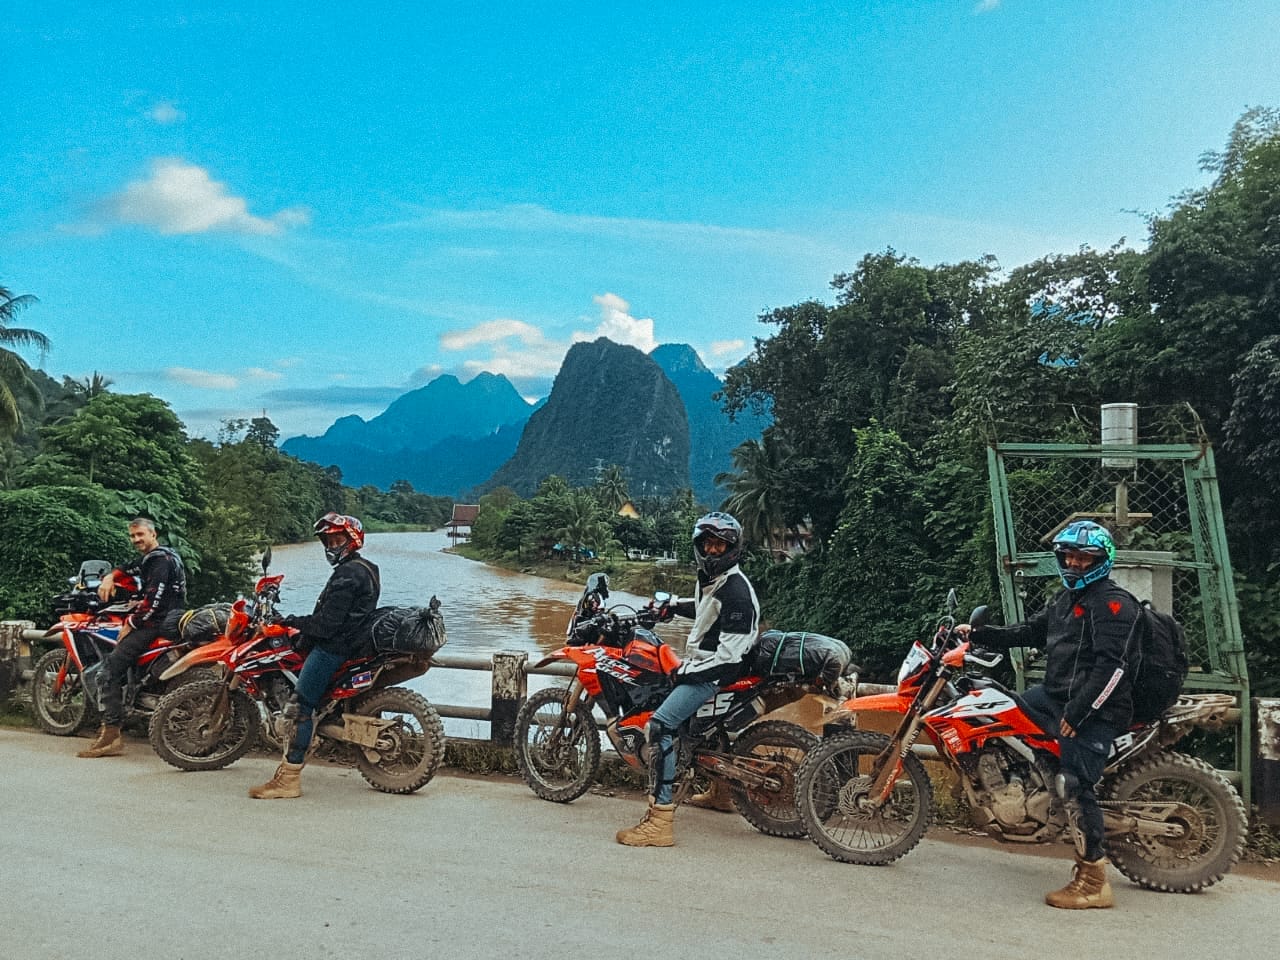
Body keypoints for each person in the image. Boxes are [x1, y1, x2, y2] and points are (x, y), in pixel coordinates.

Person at [960, 519, 1140, 909]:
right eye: (1069, 557)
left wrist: (1078, 714)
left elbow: (1113, 668)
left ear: (1101, 560)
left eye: (1083, 558)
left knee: (1074, 784)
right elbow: (1029, 631)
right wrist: (978, 635)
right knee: (1010, 712)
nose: (1074, 564)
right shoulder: (1065, 600)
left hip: (1096, 710)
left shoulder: (1113, 605)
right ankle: (1033, 789)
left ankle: (1093, 879)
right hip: (1055, 696)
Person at [616, 511, 760, 847]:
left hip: (716, 672)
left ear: (732, 548)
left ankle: (659, 821)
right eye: (707, 544)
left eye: (719, 545)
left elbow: (727, 660)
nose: (712, 551)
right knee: (698, 728)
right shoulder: (715, 581)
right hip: (708, 663)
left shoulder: (736, 592)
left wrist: (683, 671)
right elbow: (705, 609)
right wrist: (670, 609)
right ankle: (722, 793)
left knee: (660, 726)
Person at [249, 512, 380, 799]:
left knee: (299, 708)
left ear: (352, 539)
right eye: (328, 540)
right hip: (349, 642)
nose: (332, 545)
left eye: (337, 539)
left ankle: (289, 779)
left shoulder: (348, 574)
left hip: (334, 648)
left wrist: (289, 622)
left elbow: (327, 625)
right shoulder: (365, 568)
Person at [78, 517, 187, 758]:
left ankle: (111, 735)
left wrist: (132, 622)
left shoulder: (160, 562)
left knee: (109, 669)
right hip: (167, 618)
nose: (136, 539)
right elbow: (128, 567)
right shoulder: (158, 557)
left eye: (141, 535)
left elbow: (153, 602)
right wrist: (109, 577)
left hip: (156, 623)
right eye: (133, 536)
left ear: (153, 534)